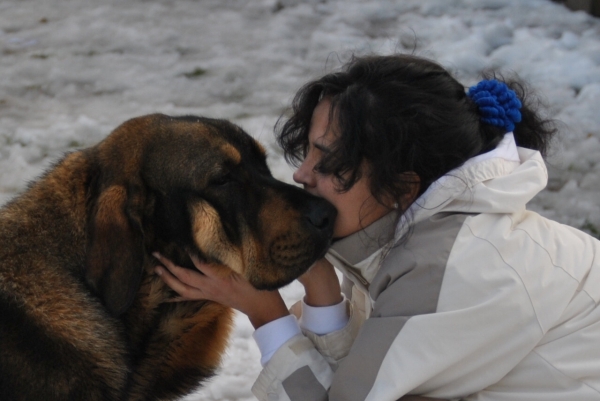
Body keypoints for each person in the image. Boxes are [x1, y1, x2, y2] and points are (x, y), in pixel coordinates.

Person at [153, 54, 600, 401]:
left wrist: (264, 311)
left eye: (327, 161)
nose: (302, 175)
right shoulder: (421, 232)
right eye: (307, 151)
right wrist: (322, 288)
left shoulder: (457, 266)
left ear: (402, 184)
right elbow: (359, 381)